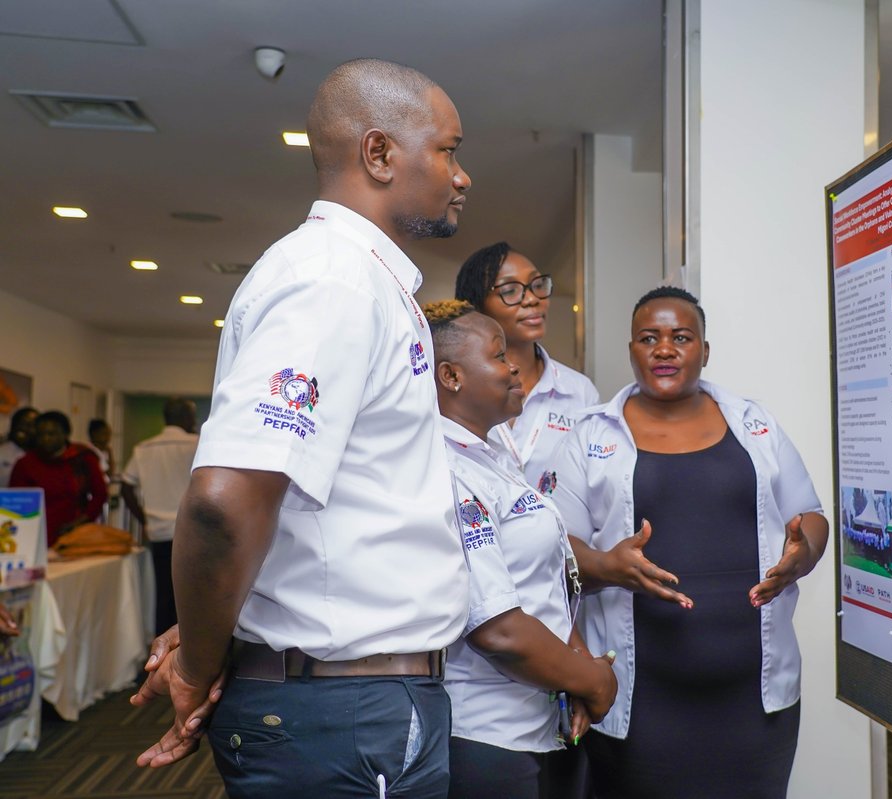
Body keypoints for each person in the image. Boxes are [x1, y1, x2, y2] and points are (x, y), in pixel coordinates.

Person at [131, 59, 473, 799]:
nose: (461, 174)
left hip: (355, 703)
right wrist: (196, 663)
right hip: (343, 712)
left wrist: (209, 631)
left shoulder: (360, 280)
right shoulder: (334, 280)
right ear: (378, 153)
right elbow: (224, 501)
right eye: (448, 150)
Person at [549, 287, 829, 799]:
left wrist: (802, 554)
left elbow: (809, 515)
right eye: (648, 338)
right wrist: (608, 565)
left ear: (705, 349)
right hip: (640, 697)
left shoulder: (754, 423)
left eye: (681, 337)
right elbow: (556, 548)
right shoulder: (589, 436)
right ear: (631, 350)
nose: (664, 349)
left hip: (752, 698)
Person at [422, 299, 616, 799]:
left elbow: (542, 581)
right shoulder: (445, 468)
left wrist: (576, 669)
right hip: (484, 737)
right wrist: (594, 681)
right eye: (498, 355)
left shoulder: (493, 454)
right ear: (450, 376)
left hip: (541, 726)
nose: (514, 366)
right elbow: (497, 630)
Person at [455, 242, 599, 486]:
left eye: (537, 285)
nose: (532, 299)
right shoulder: (457, 389)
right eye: (510, 290)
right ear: (476, 305)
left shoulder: (579, 391)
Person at [120, 398, 200, 635]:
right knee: (193, 598)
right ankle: (190, 649)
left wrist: (144, 519)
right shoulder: (198, 444)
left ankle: (161, 649)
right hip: (194, 533)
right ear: (186, 418)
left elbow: (126, 487)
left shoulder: (144, 448)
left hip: (159, 533)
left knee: (164, 596)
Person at [10, 411, 107, 547]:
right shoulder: (25, 464)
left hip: (76, 533)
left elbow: (100, 494)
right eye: (40, 435)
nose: (45, 439)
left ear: (65, 434)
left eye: (51, 434)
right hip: (35, 535)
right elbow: (15, 502)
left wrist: (81, 521)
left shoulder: (82, 458)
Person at [0, 407, 37, 487]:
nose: (24, 428)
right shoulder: (2, 452)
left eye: (30, 425)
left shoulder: (43, 456)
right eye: (22, 423)